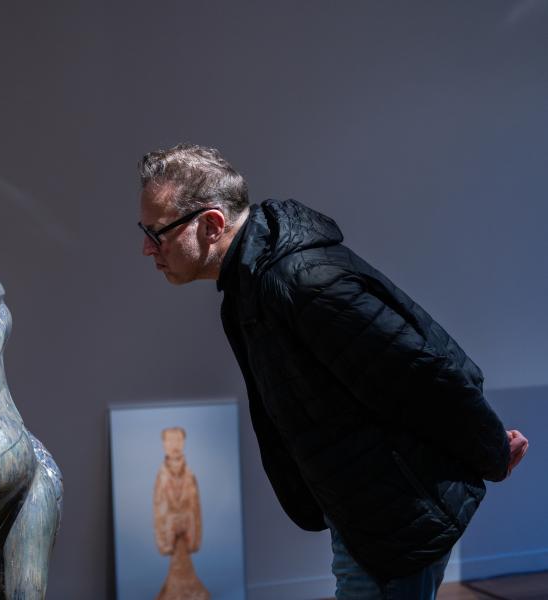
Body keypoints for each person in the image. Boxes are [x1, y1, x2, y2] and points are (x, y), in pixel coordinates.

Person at [136, 143, 529, 599]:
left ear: (211, 225)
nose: (147, 248)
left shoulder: (301, 282)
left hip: (395, 520)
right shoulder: (250, 288)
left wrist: (491, 450)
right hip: (366, 516)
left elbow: (423, 373)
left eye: (156, 232)